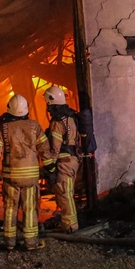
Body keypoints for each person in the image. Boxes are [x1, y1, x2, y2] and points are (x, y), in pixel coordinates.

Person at [0, 94, 55, 250]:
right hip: (30, 177)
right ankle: (30, 242)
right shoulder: (34, 126)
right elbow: (44, 150)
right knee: (30, 208)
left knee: (10, 208)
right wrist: (50, 168)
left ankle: (9, 243)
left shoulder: (2, 129)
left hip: (11, 176)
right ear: (26, 110)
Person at [44, 86, 80, 233]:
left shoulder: (58, 122)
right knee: (68, 193)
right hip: (73, 160)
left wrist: (49, 165)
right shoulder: (71, 116)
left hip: (64, 161)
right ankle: (68, 222)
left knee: (64, 193)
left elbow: (55, 148)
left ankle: (71, 226)